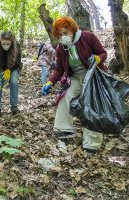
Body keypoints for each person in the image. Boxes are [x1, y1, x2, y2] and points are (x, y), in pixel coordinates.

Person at [42, 16, 108, 152]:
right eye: (60, 35)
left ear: (72, 29)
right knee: (64, 97)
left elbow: (103, 53)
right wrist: (50, 81)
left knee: (90, 104)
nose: (63, 37)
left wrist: (97, 58)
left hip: (93, 76)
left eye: (65, 33)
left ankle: (92, 143)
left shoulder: (88, 37)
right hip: (75, 78)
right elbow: (59, 69)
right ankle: (64, 130)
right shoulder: (61, 48)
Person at [0, 30, 22, 118]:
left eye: (8, 44)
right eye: (4, 44)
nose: (6, 46)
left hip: (13, 67)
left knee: (14, 82)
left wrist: (9, 70)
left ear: (12, 42)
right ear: (0, 41)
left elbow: (18, 61)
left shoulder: (16, 46)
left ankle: (14, 107)